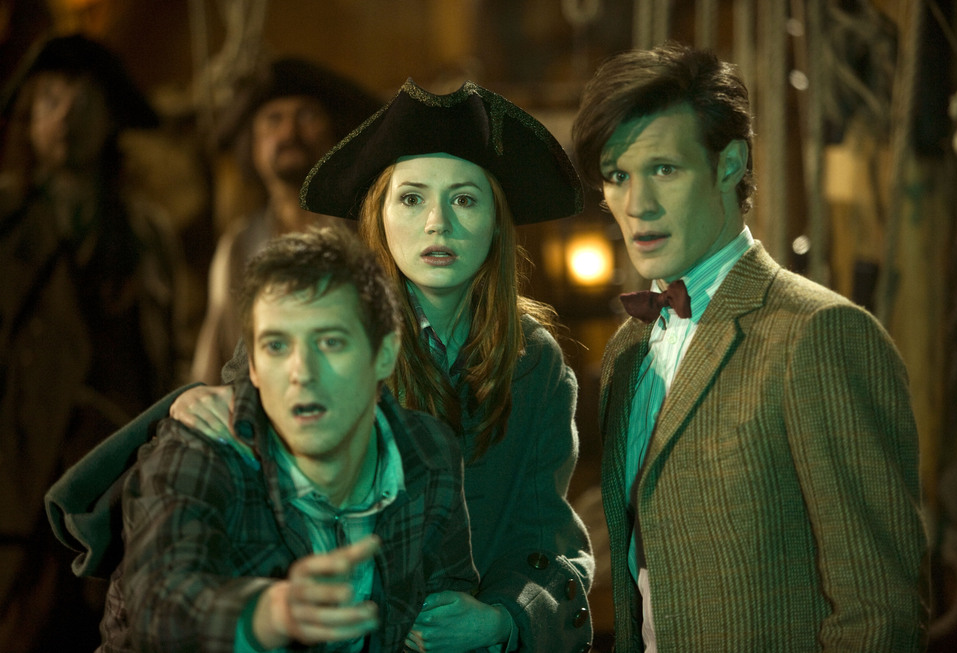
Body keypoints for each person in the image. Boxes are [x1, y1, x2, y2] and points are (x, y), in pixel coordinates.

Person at [47, 78, 595, 653]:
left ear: (497, 219)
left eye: (464, 199)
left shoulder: (534, 361)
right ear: (379, 214)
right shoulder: (309, 326)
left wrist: (504, 621)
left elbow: (542, 537)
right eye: (412, 198)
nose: (438, 222)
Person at [570, 42, 930, 651]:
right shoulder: (630, 346)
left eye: (664, 169)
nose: (637, 205)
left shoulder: (818, 335)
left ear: (729, 164)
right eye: (618, 176)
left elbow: (879, 612)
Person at [99, 225, 478, 651]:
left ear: (384, 353)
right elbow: (158, 605)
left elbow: (450, 604)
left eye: (330, 342)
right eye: (277, 346)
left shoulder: (427, 451)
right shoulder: (201, 447)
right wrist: (268, 613)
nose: (301, 372)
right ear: (253, 367)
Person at [0, 33, 181, 653]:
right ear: (29, 119)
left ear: (110, 121)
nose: (65, 118)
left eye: (83, 103)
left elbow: (166, 357)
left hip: (112, 486)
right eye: (49, 100)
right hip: (17, 489)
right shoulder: (7, 222)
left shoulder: (144, 235)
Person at [190, 57, 381, 384]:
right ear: (252, 145)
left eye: (307, 116)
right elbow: (210, 369)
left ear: (334, 134)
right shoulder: (238, 246)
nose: (289, 132)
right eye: (273, 119)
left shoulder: (370, 233)